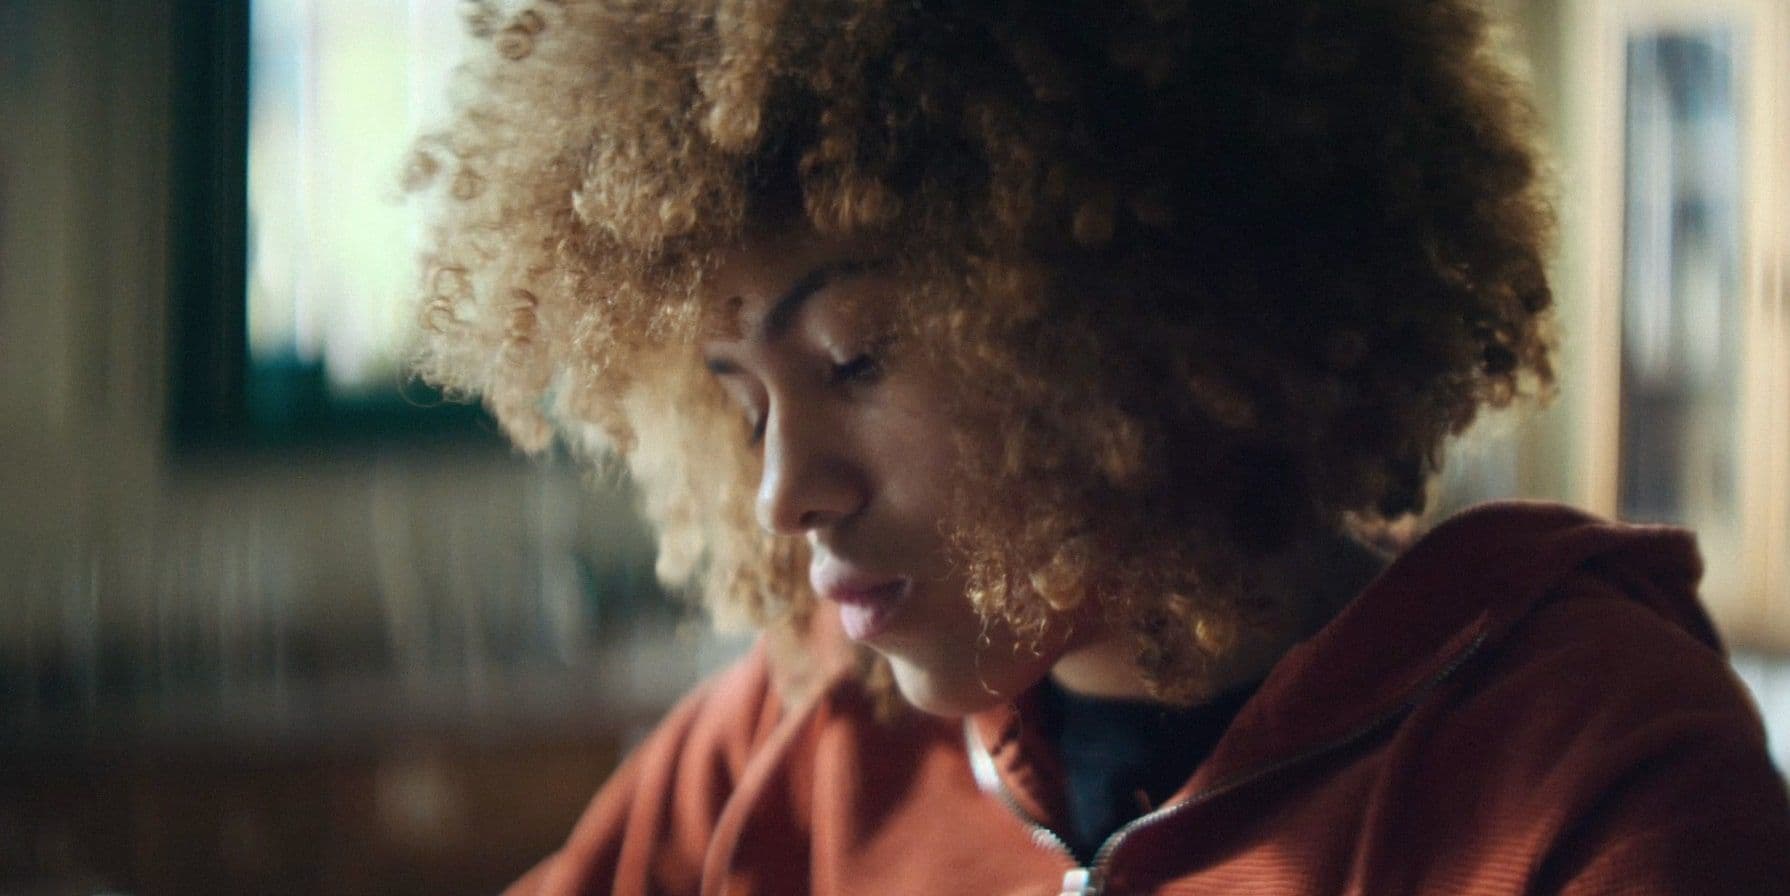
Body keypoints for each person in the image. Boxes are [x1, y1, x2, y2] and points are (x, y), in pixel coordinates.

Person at [406, 1, 1790, 892]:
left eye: (854, 360)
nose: (785, 494)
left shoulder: (1594, 775)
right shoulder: (782, 749)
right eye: (742, 397)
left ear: (1147, 303)